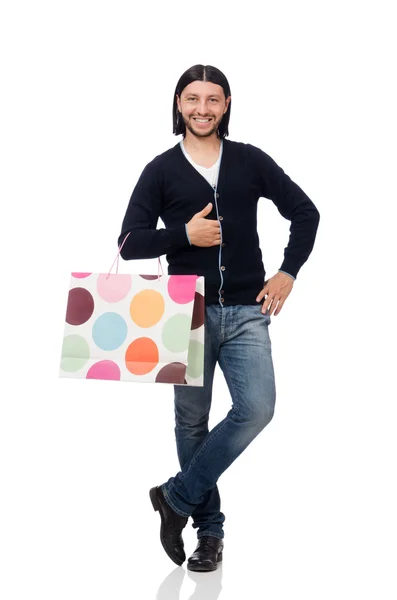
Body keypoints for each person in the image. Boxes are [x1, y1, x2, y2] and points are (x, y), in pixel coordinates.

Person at [117, 64, 320, 572]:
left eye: (213, 99)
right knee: (192, 423)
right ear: (178, 104)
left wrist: (288, 272)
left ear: (226, 104)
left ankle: (175, 497)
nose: (202, 108)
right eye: (192, 98)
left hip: (250, 311)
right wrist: (182, 235)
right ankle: (210, 533)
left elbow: (306, 212)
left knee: (257, 408)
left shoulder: (250, 161)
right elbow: (128, 241)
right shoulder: (161, 169)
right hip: (185, 314)